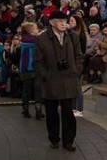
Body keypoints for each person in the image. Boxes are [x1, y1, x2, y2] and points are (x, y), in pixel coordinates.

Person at [34, 10, 83, 151]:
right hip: (51, 81)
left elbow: (79, 56)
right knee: (51, 113)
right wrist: (46, 75)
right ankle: (54, 139)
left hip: (69, 79)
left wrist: (76, 71)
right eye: (60, 21)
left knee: (68, 113)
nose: (63, 23)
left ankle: (69, 141)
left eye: (65, 21)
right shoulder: (42, 38)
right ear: (51, 22)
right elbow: (38, 62)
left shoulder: (72, 36)